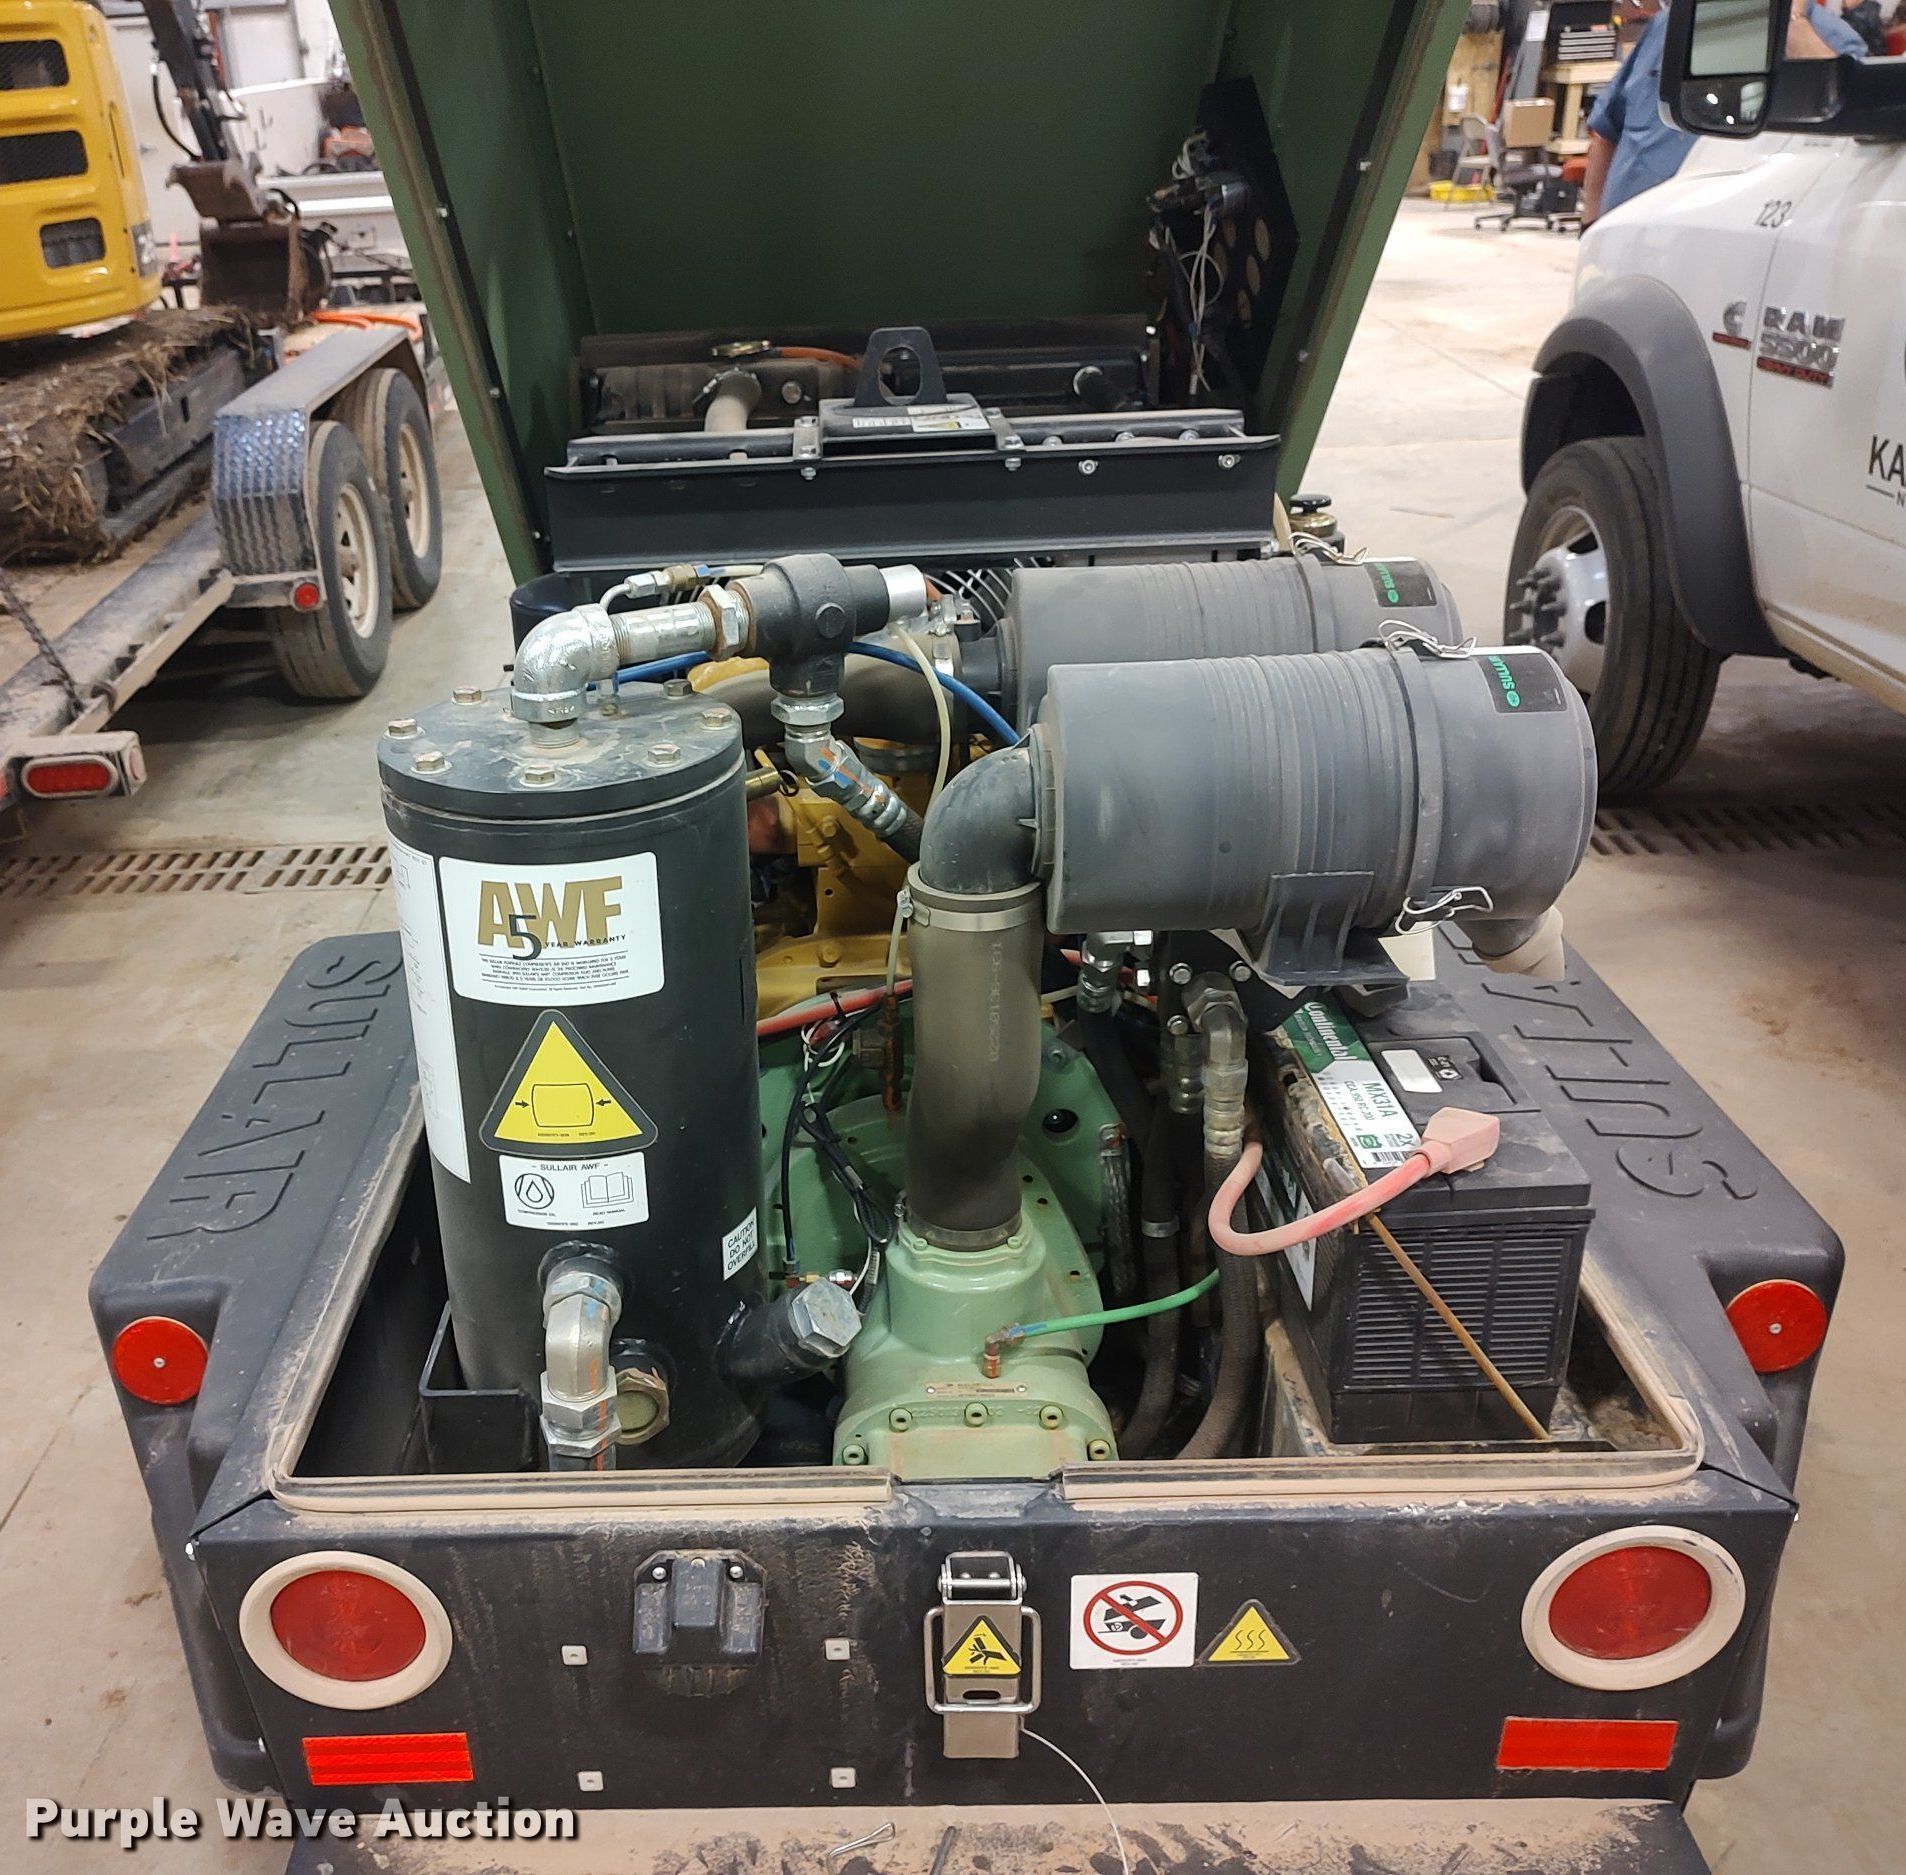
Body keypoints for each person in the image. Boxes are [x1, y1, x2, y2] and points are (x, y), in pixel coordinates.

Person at [1580, 0, 1869, 227]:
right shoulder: (1669, 24)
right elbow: (1607, 131)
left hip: (1712, 244)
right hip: (1620, 233)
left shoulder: (1830, 39)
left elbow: (1845, 126)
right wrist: (1590, 224)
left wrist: (1792, 21)